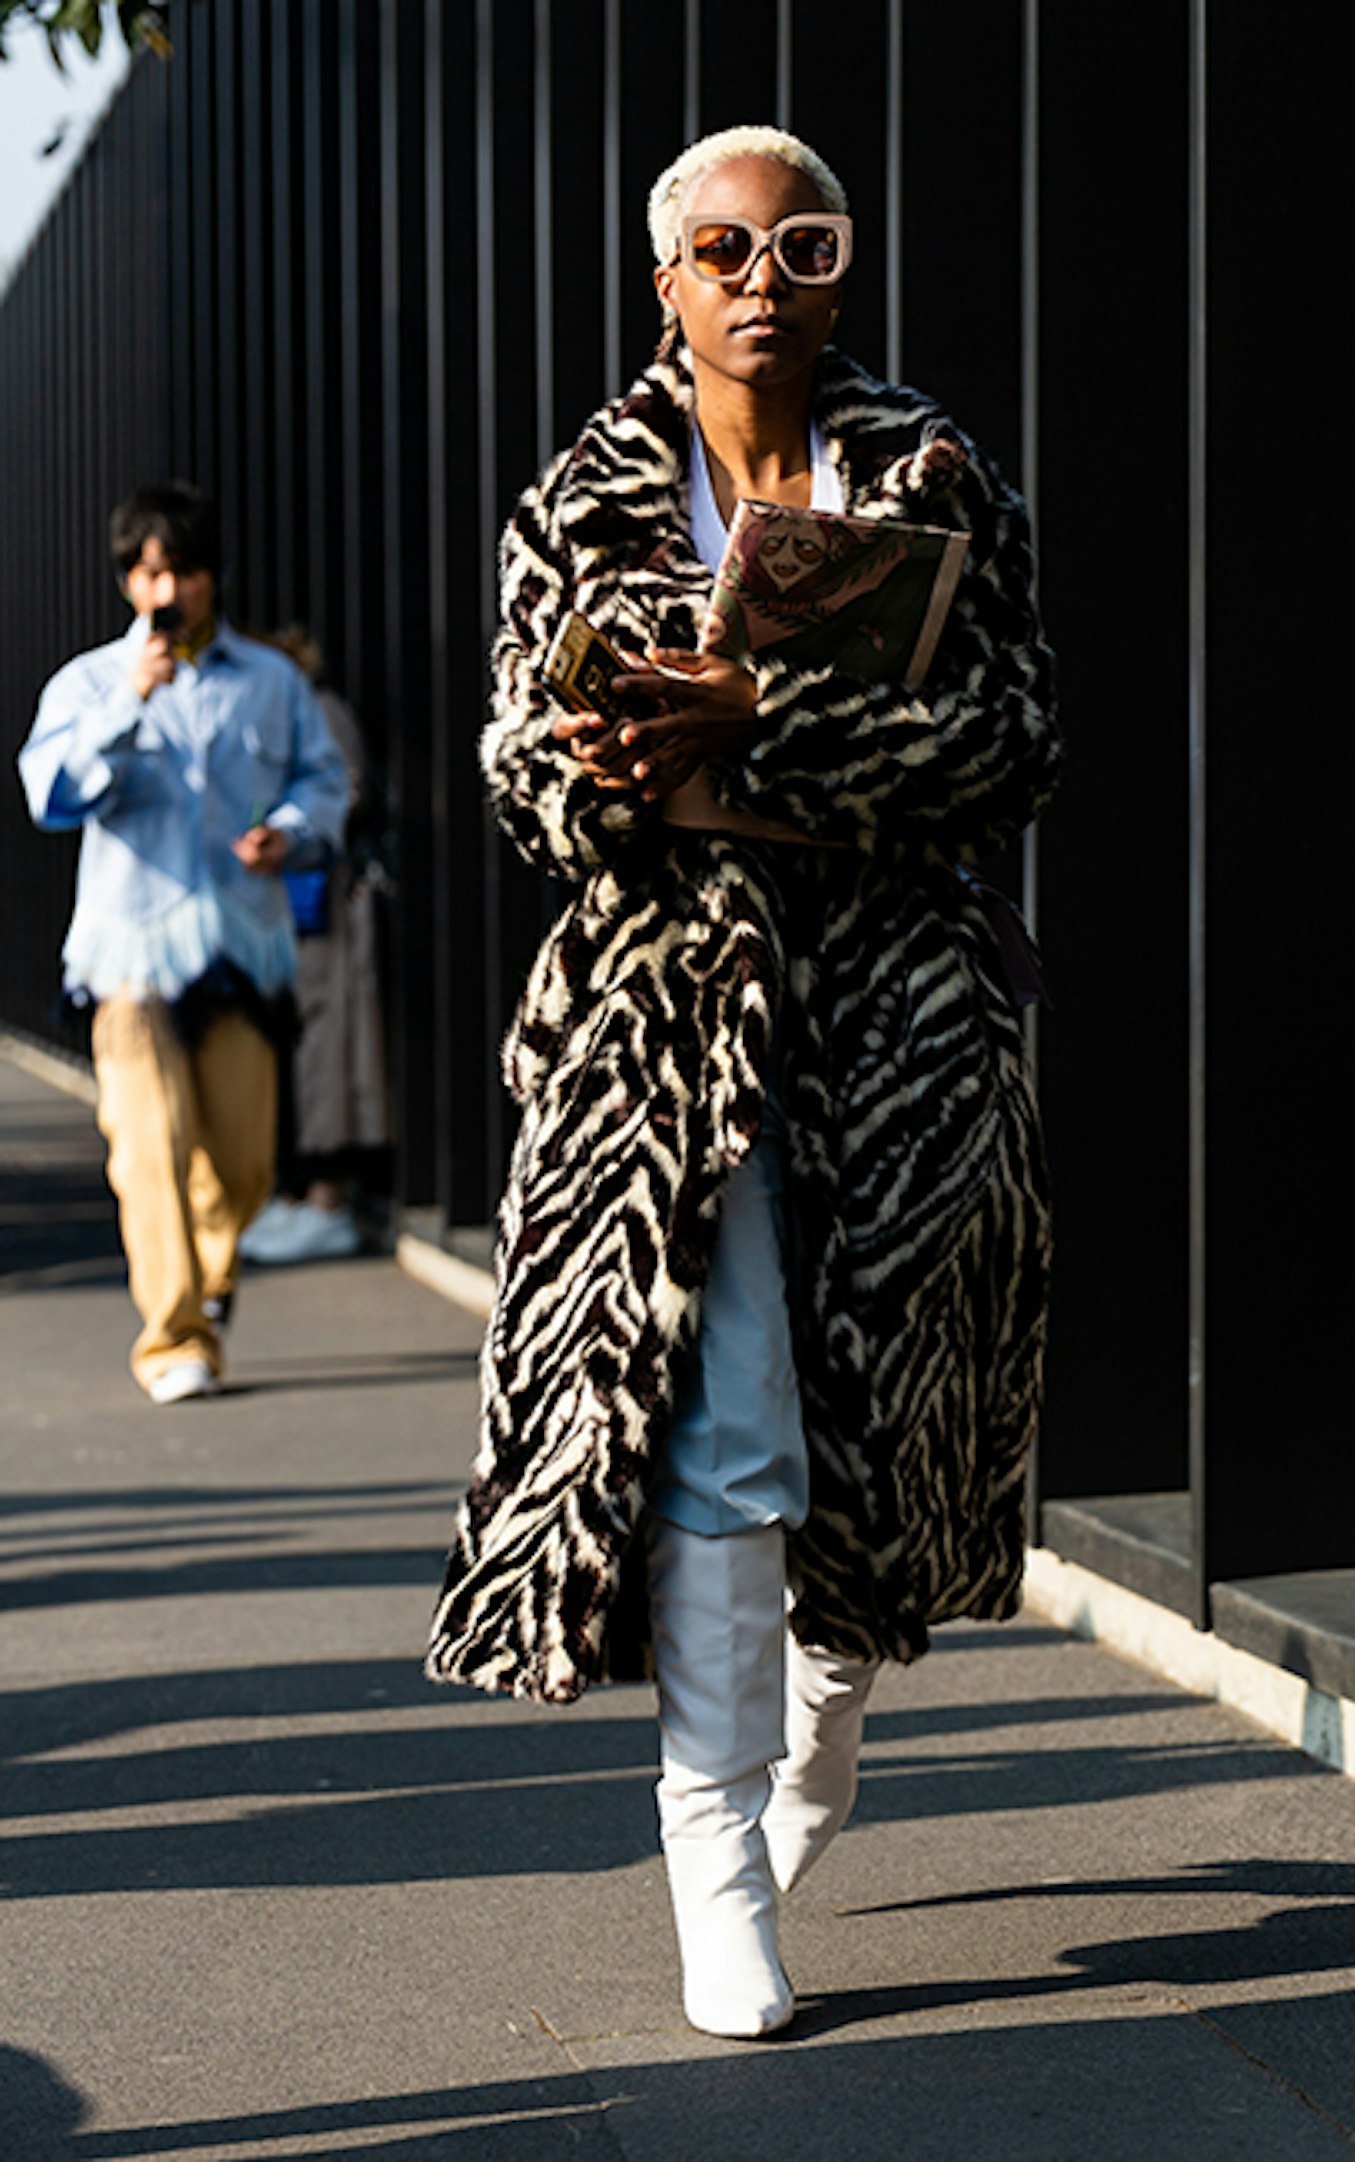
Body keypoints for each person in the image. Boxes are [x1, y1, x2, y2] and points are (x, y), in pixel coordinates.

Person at [427, 125, 1061, 2039]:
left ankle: (818, 1739)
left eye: (805, 244)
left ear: (841, 265)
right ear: (666, 283)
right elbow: (515, 761)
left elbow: (1018, 736)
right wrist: (601, 762)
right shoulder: (583, 493)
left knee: (879, 1445)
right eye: (723, 249)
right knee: (729, 1429)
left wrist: (768, 716)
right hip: (669, 1030)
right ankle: (711, 1855)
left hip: (907, 1033)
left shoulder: (938, 470)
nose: (762, 279)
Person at [17, 483, 348, 1403]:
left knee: (239, 1166)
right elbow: (50, 794)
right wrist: (129, 703)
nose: (168, 588)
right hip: (128, 959)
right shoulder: (89, 683)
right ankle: (173, 1339)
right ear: (129, 581)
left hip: (242, 950)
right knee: (148, 1142)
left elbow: (326, 784)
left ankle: (207, 1276)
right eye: (150, 571)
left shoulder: (273, 681)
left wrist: (290, 830)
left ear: (212, 577)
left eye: (184, 570)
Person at [239, 627, 390, 1267]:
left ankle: (329, 1198)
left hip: (324, 897)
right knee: (303, 1042)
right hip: (291, 902)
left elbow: (346, 792)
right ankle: (308, 1191)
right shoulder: (290, 708)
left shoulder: (314, 708)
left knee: (328, 1044)